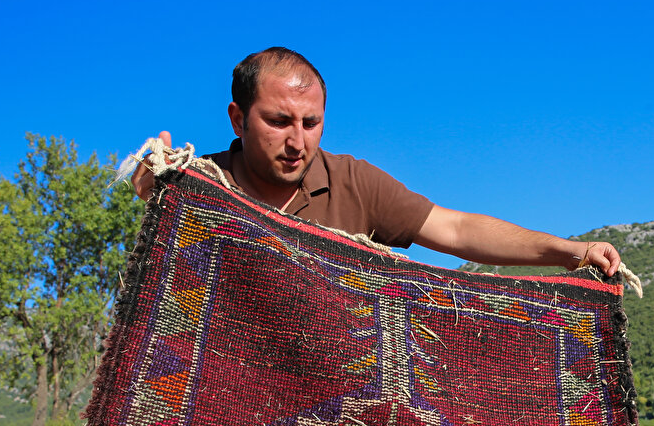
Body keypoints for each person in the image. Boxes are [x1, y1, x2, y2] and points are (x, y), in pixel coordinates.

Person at [132, 47, 621, 276]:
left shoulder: (354, 182)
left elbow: (456, 231)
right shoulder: (201, 185)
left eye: (311, 123)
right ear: (238, 119)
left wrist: (569, 250)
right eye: (279, 121)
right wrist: (156, 193)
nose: (298, 141)